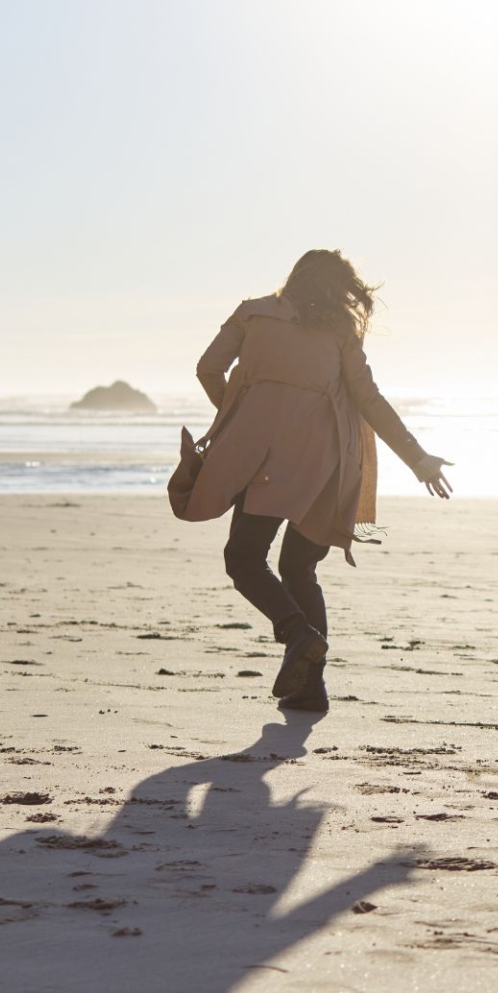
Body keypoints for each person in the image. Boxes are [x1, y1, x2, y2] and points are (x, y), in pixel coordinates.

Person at [178, 250, 452, 713]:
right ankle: (311, 687)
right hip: (326, 464)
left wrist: (241, 414)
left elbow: (208, 368)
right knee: (299, 568)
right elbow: (368, 398)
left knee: (243, 558)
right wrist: (417, 458)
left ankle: (298, 633)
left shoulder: (252, 312)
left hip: (263, 458)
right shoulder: (341, 331)